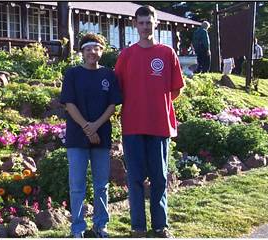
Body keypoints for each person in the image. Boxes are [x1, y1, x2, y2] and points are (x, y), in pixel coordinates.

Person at [114, 5, 185, 238]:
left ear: (156, 23)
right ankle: (138, 227)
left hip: (159, 125)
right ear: (136, 25)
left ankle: (160, 225)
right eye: (141, 22)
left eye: (149, 22)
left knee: (159, 178)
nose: (145, 27)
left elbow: (175, 90)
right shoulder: (126, 55)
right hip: (133, 126)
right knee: (134, 178)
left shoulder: (167, 53)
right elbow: (118, 89)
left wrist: (156, 103)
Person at [60, 33, 122, 238]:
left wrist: (95, 127)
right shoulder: (72, 74)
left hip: (101, 136)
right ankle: (77, 228)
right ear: (82, 52)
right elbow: (69, 104)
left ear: (101, 51)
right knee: (77, 185)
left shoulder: (109, 75)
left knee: (101, 185)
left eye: (96, 48)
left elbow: (112, 106)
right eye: (88, 48)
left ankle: (100, 225)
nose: (92, 52)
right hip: (77, 137)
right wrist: (87, 127)